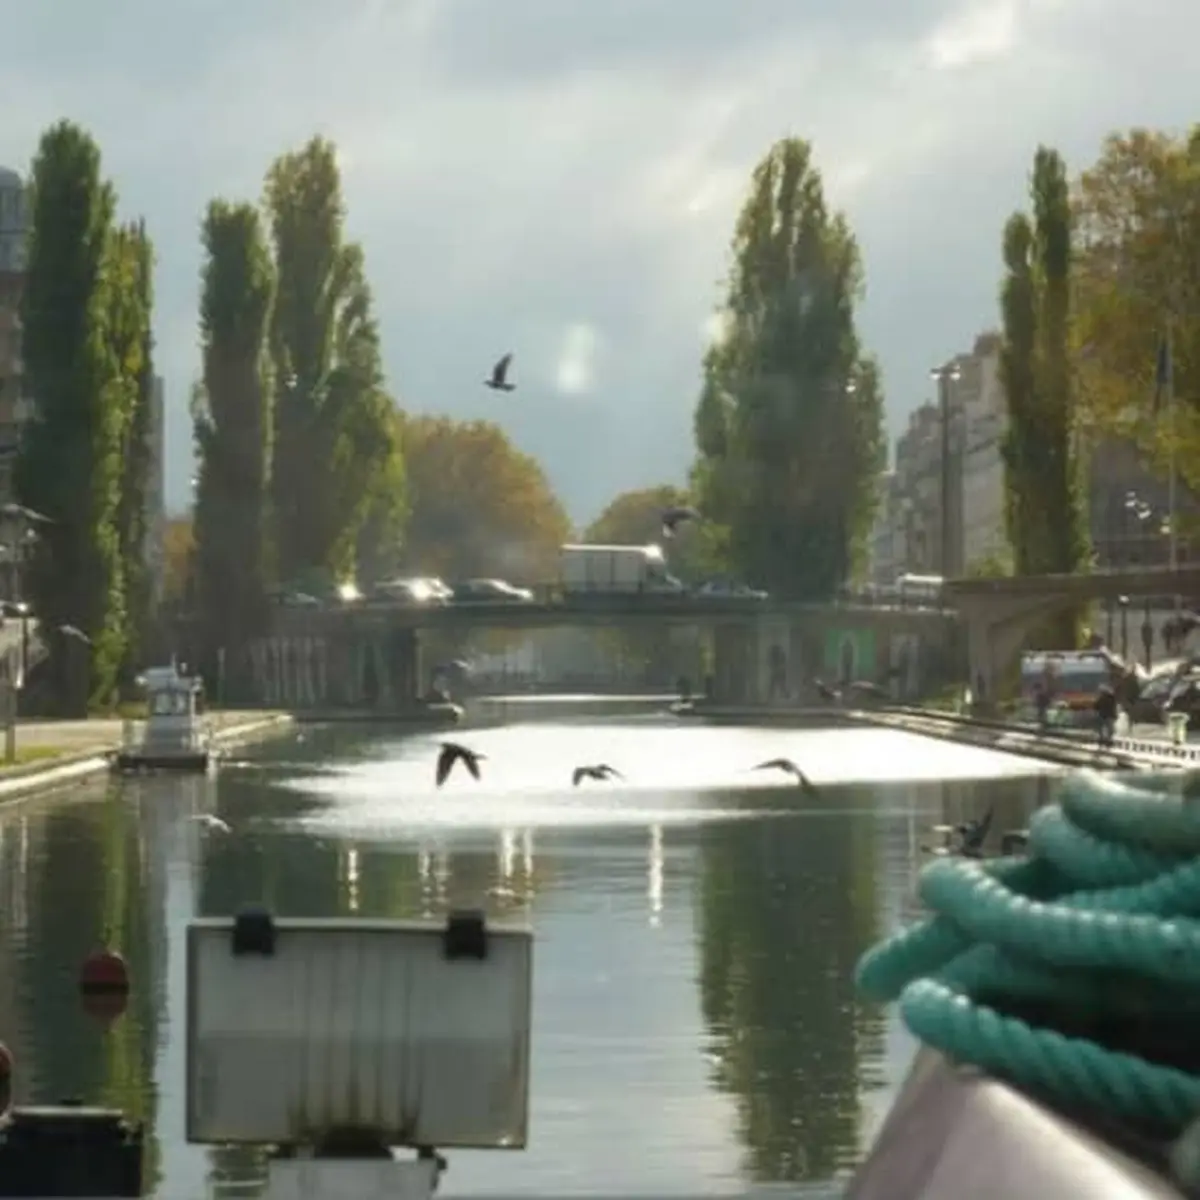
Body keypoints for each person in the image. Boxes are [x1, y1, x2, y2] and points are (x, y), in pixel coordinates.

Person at [1094, 684, 1117, 749]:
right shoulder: (1112, 698)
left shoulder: (1102, 698)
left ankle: (1102, 739)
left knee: (1101, 728)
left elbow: (1096, 706)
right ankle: (1108, 740)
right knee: (1110, 729)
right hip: (1110, 715)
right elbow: (1113, 707)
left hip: (1103, 715)